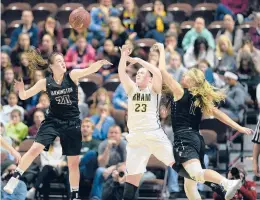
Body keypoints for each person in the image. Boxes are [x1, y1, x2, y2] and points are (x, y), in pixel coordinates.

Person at [3, 48, 111, 200]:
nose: (63, 63)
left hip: (71, 121)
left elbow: (88, 70)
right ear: (52, 66)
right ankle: (14, 180)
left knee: (73, 162)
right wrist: (21, 90)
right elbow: (25, 95)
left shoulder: (72, 75)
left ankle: (74, 195)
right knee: (34, 148)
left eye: (63, 60)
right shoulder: (45, 82)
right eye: (59, 61)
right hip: (53, 120)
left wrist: (99, 63)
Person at [156, 42, 253, 200]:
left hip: (184, 138)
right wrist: (239, 127)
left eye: (186, 75)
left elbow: (162, 71)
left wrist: (161, 50)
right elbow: (220, 115)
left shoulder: (181, 91)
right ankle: (223, 183)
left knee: (196, 174)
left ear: (192, 81)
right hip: (197, 139)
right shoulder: (200, 99)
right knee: (190, 185)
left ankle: (225, 183)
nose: (183, 76)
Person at [118, 44, 175, 200]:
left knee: (175, 163)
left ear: (149, 79)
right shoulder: (132, 89)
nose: (138, 74)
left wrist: (139, 61)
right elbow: (122, 73)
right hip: (136, 138)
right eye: (137, 72)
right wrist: (124, 55)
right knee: (131, 180)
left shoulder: (154, 89)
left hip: (153, 134)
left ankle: (212, 182)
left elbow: (157, 72)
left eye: (142, 73)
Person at [90, 125, 126, 200]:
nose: (113, 134)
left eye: (116, 133)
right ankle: (96, 198)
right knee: (99, 170)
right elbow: (101, 164)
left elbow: (127, 163)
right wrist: (108, 148)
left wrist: (114, 168)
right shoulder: (103, 144)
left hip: (122, 169)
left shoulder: (124, 144)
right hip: (106, 169)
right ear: (107, 134)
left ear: (120, 135)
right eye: (111, 132)